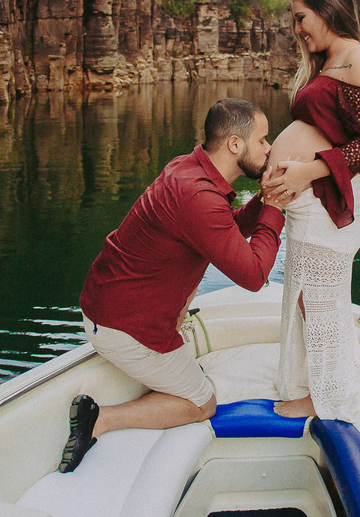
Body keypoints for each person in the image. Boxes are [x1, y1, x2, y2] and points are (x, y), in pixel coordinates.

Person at [59, 98, 290, 473]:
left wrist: (263, 200)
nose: (269, 148)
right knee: (202, 404)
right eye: (263, 140)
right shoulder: (197, 196)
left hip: (108, 306)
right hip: (124, 327)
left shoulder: (189, 169)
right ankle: (100, 419)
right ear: (235, 144)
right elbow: (253, 275)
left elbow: (224, 229)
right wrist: (276, 209)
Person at [261, 0, 360, 422]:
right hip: (309, 206)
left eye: (301, 18)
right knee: (309, 299)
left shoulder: (356, 57)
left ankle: (327, 400)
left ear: (326, 9)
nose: (296, 28)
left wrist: (309, 170)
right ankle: (330, 381)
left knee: (318, 302)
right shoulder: (329, 61)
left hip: (328, 206)